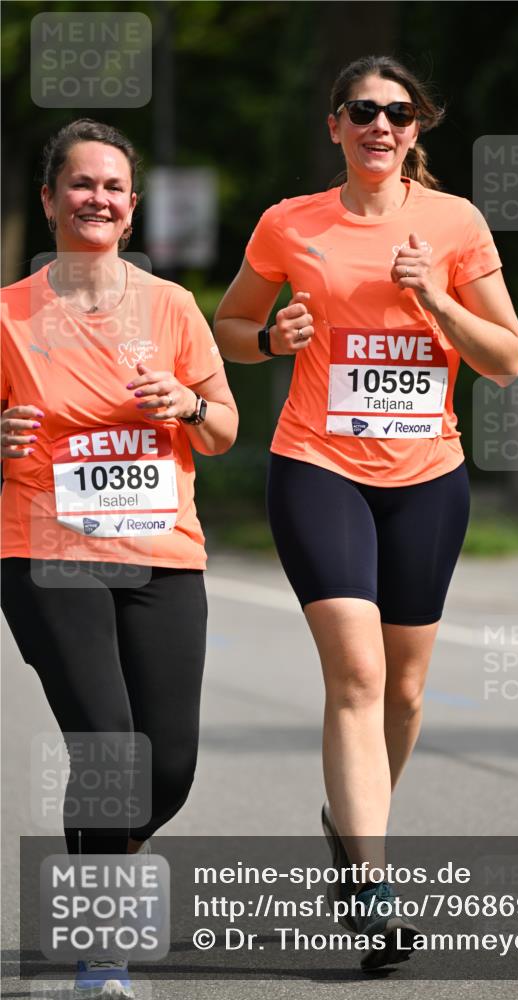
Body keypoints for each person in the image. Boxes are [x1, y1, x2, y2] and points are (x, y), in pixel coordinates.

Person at [214, 55, 518, 971]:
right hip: (318, 464)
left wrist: (433, 298)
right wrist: (271, 338)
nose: (378, 126)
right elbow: (229, 326)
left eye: (396, 112)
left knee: (405, 688)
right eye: (361, 111)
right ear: (335, 126)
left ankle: (349, 828)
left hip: (427, 475)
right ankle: (374, 881)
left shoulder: (454, 224)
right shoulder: (290, 223)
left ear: (416, 129)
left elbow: (503, 359)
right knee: (355, 671)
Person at [1, 119, 238, 998]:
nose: (96, 199)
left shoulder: (170, 307)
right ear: (50, 200)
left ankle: (110, 859)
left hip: (163, 555)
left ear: (131, 209)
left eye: (112, 188)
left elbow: (222, 430)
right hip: (45, 551)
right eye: (80, 184)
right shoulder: (7, 316)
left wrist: (185, 402)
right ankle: (101, 958)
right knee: (108, 748)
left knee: (167, 764)